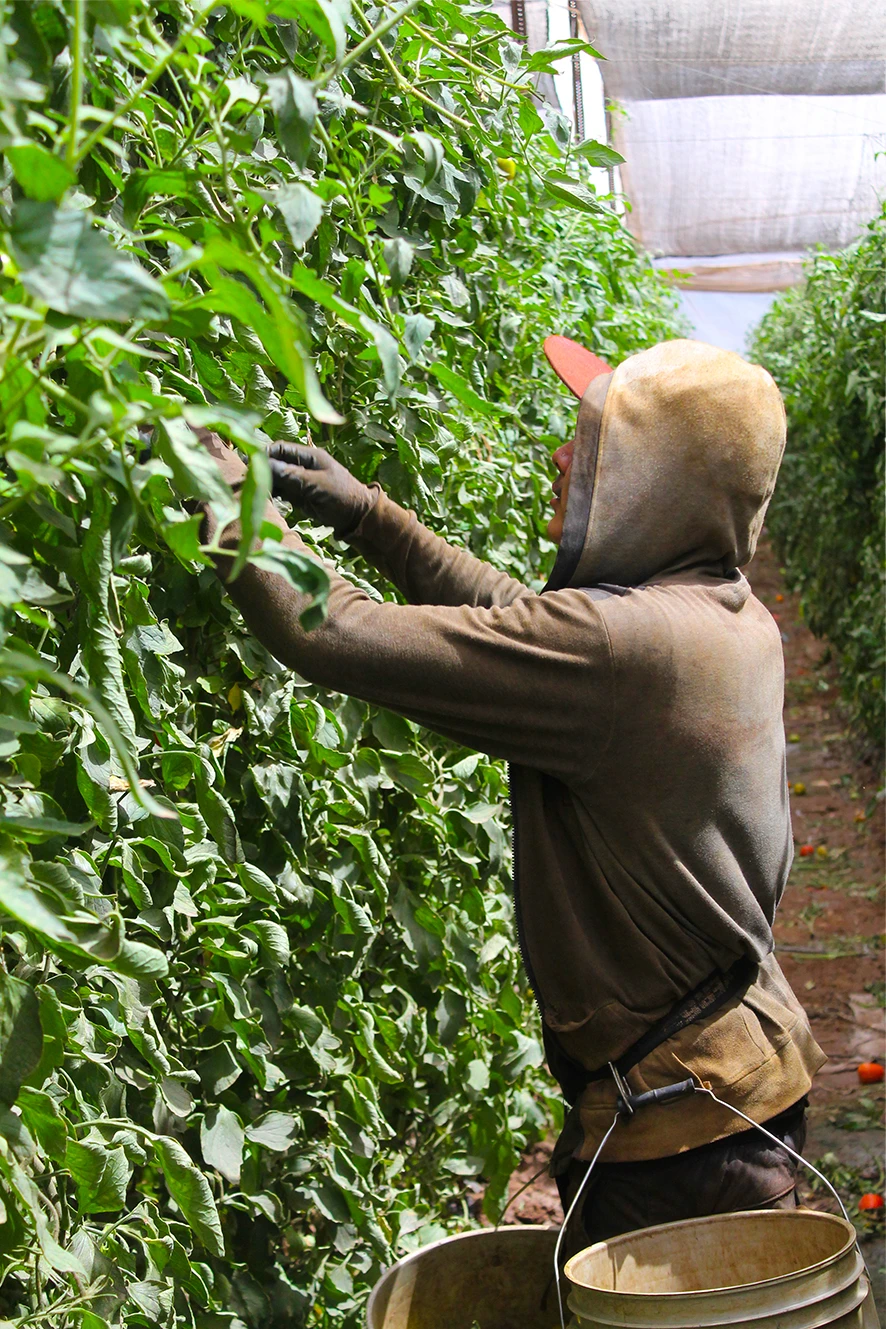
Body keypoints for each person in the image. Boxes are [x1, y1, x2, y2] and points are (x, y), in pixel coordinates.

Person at [197, 336, 824, 1247]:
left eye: (596, 445)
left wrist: (220, 489)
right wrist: (375, 517)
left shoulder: (628, 654)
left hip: (691, 1140)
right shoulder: (719, 615)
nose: (565, 458)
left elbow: (327, 628)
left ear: (660, 482)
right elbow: (518, 622)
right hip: (730, 1088)